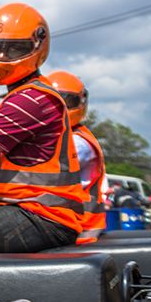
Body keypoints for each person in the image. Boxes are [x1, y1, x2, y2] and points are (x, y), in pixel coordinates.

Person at [0, 3, 88, 254]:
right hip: (27, 211)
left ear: (38, 45)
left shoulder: (31, 100)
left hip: (41, 217)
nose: (0, 57)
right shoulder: (24, 96)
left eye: (14, 49)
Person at [47, 70, 107, 244]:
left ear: (81, 103)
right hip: (66, 221)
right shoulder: (61, 136)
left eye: (67, 102)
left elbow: (33, 176)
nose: (61, 109)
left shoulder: (77, 142)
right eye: (53, 102)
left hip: (77, 227)